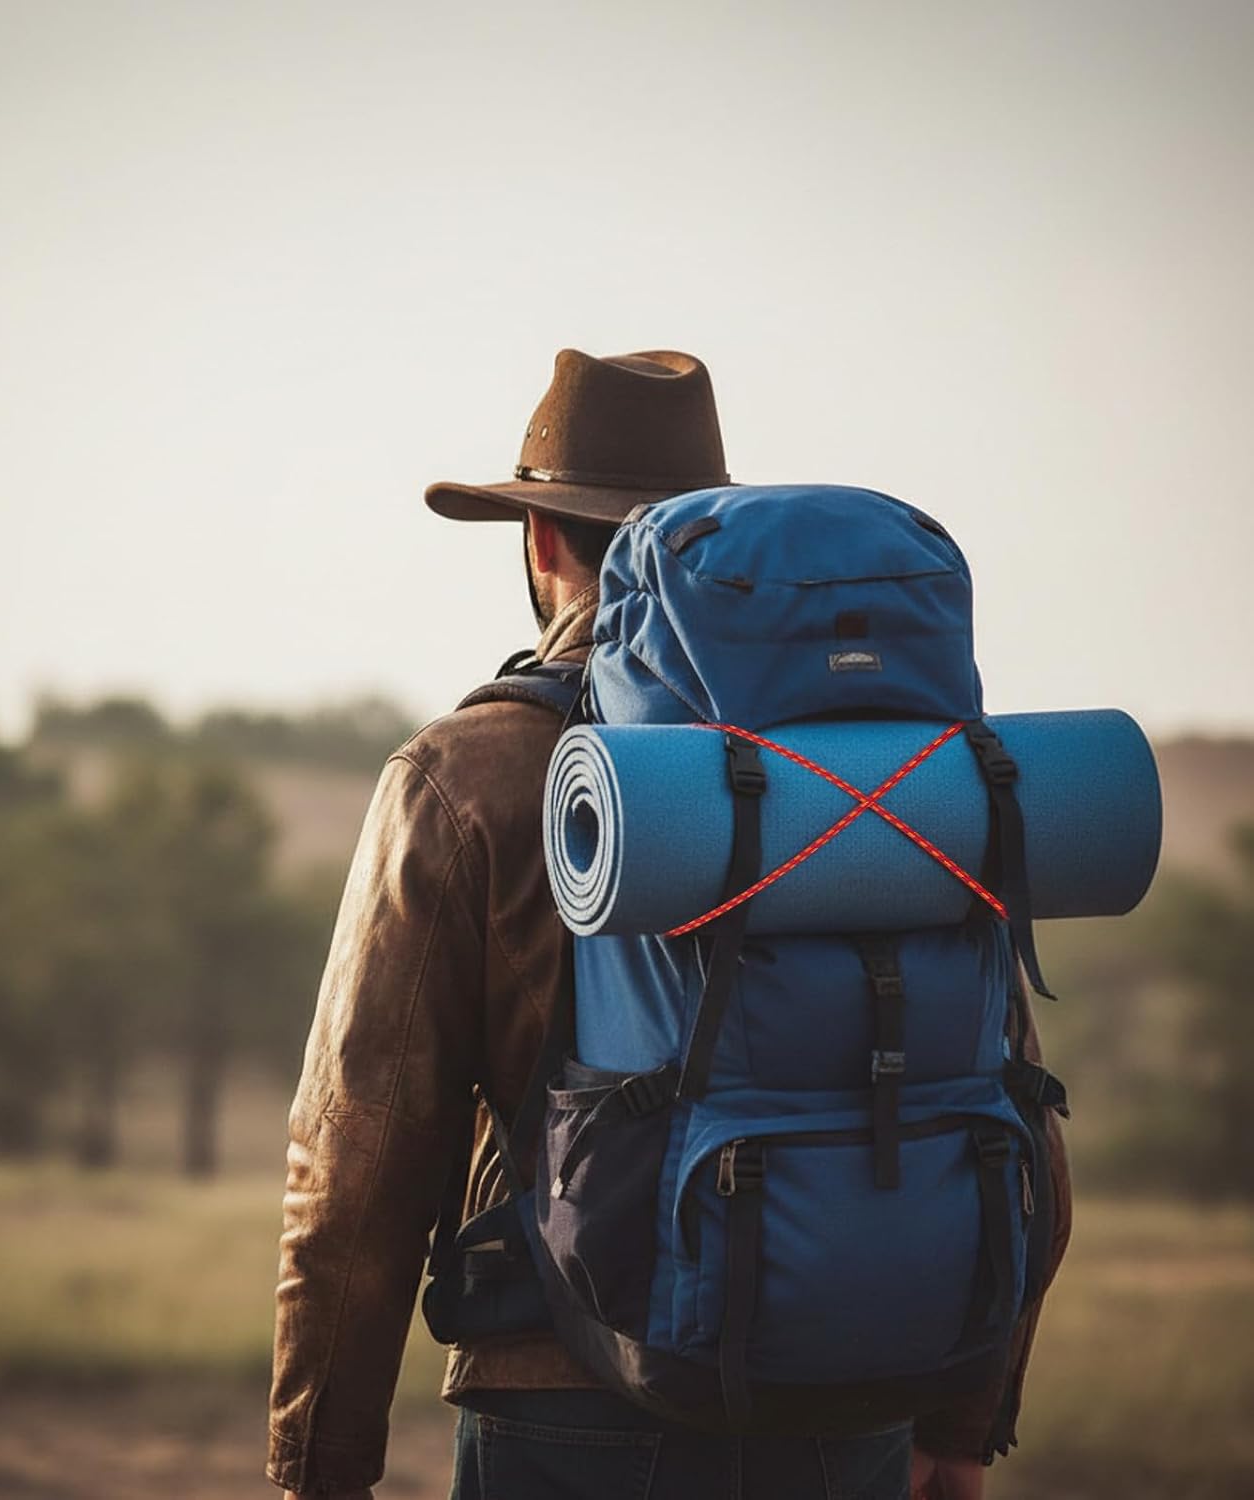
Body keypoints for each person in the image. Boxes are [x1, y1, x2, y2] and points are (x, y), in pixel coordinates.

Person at [267, 349, 1071, 1500]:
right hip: (857, 1401)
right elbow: (1004, 1090)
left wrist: (318, 1468)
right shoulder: (885, 771)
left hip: (570, 1399)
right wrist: (961, 1416)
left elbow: (359, 1148)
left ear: (540, 540)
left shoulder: (466, 774)